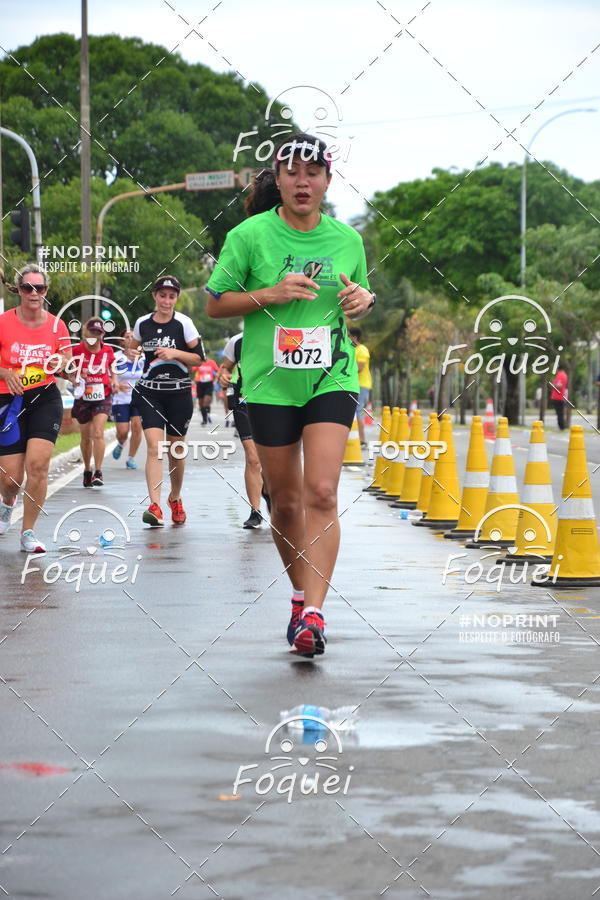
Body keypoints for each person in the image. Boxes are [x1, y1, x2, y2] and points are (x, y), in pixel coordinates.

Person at [206, 133, 375, 657]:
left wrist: (362, 300)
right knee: (284, 503)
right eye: (293, 172)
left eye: (314, 172)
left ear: (328, 180)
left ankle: (316, 615)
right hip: (269, 381)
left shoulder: (347, 238)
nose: (303, 182)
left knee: (322, 491)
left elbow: (360, 299)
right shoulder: (250, 236)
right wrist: (271, 294)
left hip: (331, 375)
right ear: (277, 179)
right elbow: (215, 305)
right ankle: (300, 597)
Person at [0, 264, 71, 552]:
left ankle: (28, 532)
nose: (33, 293)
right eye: (27, 287)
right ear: (18, 290)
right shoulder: (3, 322)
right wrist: (5, 373)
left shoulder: (57, 325)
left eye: (39, 288)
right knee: (11, 478)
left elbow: (68, 361)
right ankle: (7, 502)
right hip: (9, 401)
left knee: (38, 466)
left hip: (45, 398)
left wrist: (62, 364)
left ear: (45, 292)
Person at [131, 275, 205, 526]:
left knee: (176, 450)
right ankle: (154, 505)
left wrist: (174, 353)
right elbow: (131, 347)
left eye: (171, 296)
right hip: (150, 392)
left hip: (179, 393)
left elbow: (199, 358)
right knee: (154, 447)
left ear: (177, 298)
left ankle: (175, 497)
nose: (166, 300)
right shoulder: (142, 324)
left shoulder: (184, 324)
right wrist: (131, 350)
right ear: (154, 296)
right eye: (162, 295)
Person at [218, 331, 266, 528]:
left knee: (277, 460)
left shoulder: (282, 333)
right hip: (244, 401)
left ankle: (276, 497)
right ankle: (256, 512)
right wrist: (223, 376)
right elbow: (225, 369)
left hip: (278, 402)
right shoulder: (236, 341)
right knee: (253, 458)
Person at [71, 318, 119, 487]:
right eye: (92, 332)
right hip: (83, 397)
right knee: (85, 437)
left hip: (103, 395)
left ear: (102, 335)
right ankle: (87, 469)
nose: (95, 336)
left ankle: (98, 471)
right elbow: (68, 370)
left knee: (98, 433)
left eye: (99, 333)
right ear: (86, 332)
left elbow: (113, 368)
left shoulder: (108, 350)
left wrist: (114, 380)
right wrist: (75, 377)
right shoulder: (76, 350)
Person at [112, 329, 144, 468]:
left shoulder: (143, 358)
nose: (130, 339)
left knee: (137, 428)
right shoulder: (115, 357)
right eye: (127, 337)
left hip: (138, 399)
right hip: (120, 399)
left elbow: (148, 376)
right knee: (123, 432)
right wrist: (117, 384)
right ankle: (121, 442)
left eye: (133, 337)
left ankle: (131, 458)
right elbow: (108, 376)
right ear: (121, 341)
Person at [348, 327, 372, 447]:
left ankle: (362, 440)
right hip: (353, 384)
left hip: (362, 384)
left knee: (357, 410)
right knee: (352, 411)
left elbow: (360, 367)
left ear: (354, 337)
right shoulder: (352, 349)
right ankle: (355, 438)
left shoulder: (362, 350)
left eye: (348, 336)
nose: (346, 338)